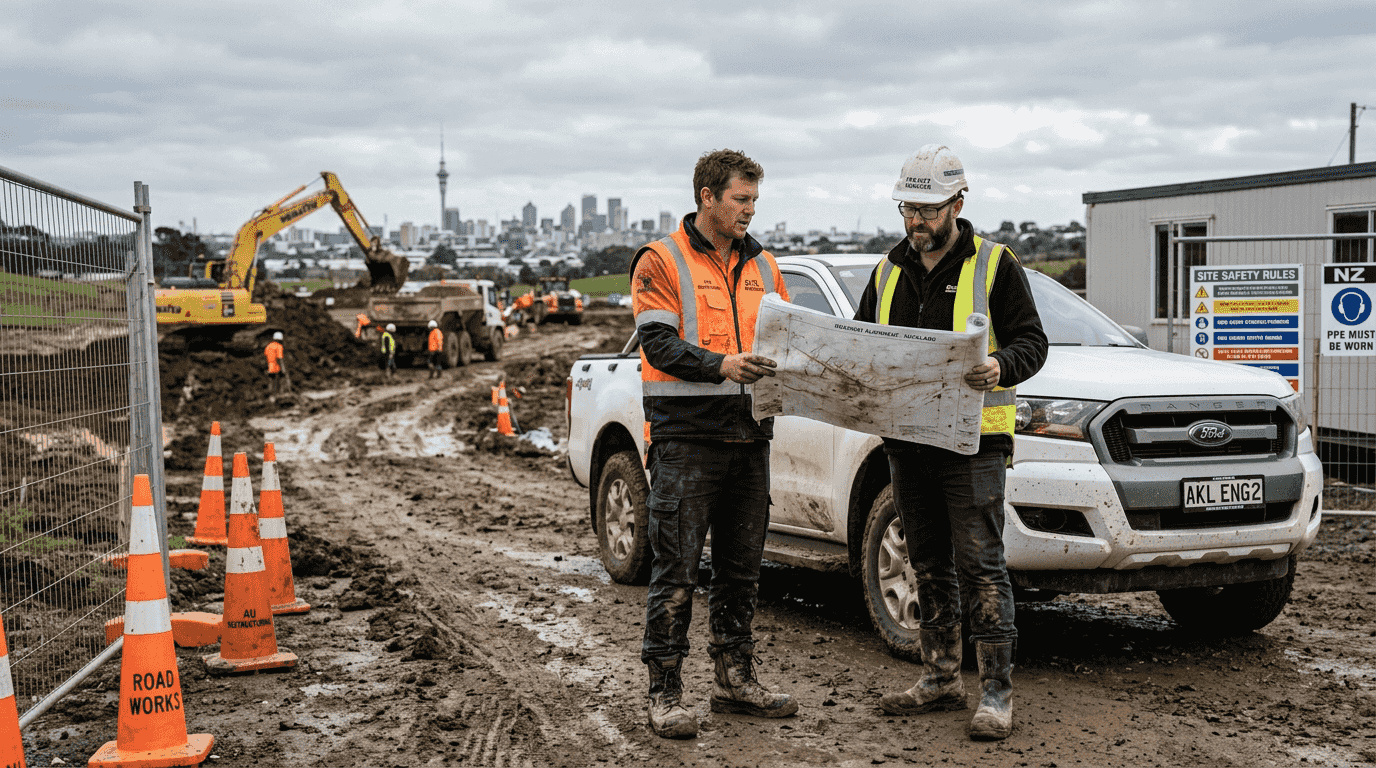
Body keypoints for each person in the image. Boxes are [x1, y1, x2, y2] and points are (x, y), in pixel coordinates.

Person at [853, 145, 1047, 741]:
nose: (917, 221)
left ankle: (995, 691)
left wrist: (999, 366)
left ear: (958, 204)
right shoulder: (887, 272)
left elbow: (1032, 344)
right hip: (908, 444)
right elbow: (861, 347)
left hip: (974, 446)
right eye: (909, 208)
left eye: (929, 209)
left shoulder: (994, 265)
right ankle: (940, 676)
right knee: (927, 562)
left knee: (982, 567)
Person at [629, 149, 796, 739]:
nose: (750, 210)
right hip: (686, 440)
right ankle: (665, 691)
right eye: (740, 200)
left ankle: (735, 677)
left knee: (741, 570)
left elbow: (787, 344)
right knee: (675, 570)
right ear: (707, 197)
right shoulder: (660, 261)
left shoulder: (765, 267)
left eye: (754, 200)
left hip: (750, 437)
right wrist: (724, 365)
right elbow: (658, 346)